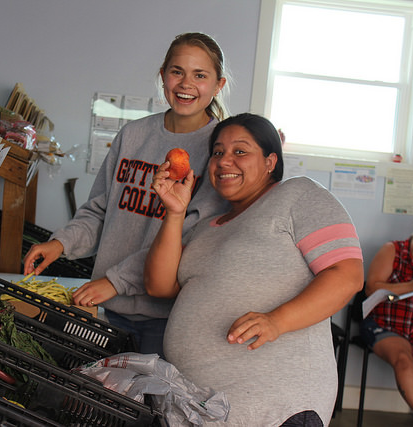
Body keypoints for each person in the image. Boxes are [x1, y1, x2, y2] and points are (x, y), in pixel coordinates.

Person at [145, 112, 364, 426]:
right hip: (202, 408)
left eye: (240, 151)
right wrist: (175, 213)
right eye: (218, 152)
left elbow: (348, 274)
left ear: (270, 161)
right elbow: (159, 286)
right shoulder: (207, 227)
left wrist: (277, 320)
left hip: (274, 406)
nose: (224, 161)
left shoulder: (299, 195)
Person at [23, 32, 230, 357]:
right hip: (109, 307)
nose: (186, 83)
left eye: (200, 75)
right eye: (177, 71)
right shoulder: (133, 135)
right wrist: (60, 243)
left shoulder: (218, 152)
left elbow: (191, 241)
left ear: (218, 84)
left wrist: (116, 281)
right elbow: (99, 210)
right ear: (162, 76)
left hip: (168, 318)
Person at [362, 213, 413, 427]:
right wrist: (411, 287)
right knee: (403, 360)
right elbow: (371, 288)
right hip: (386, 324)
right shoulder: (393, 250)